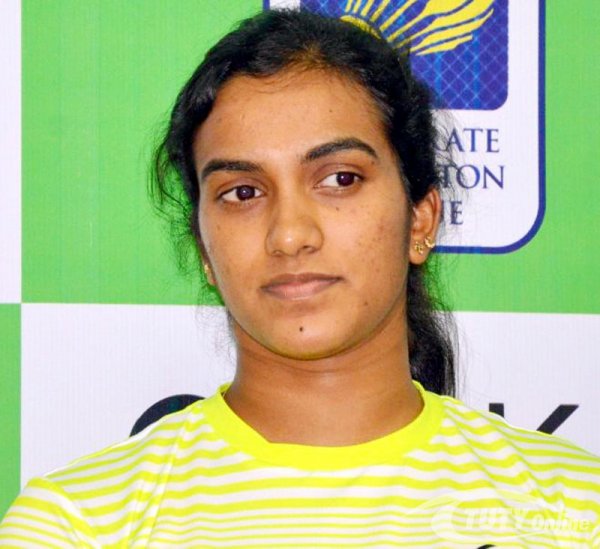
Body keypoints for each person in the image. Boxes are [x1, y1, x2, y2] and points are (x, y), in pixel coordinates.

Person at [1, 8, 599, 548]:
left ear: (421, 218)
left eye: (340, 179)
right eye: (243, 192)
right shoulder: (79, 524)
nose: (289, 235)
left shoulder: (574, 509)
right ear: (204, 250)